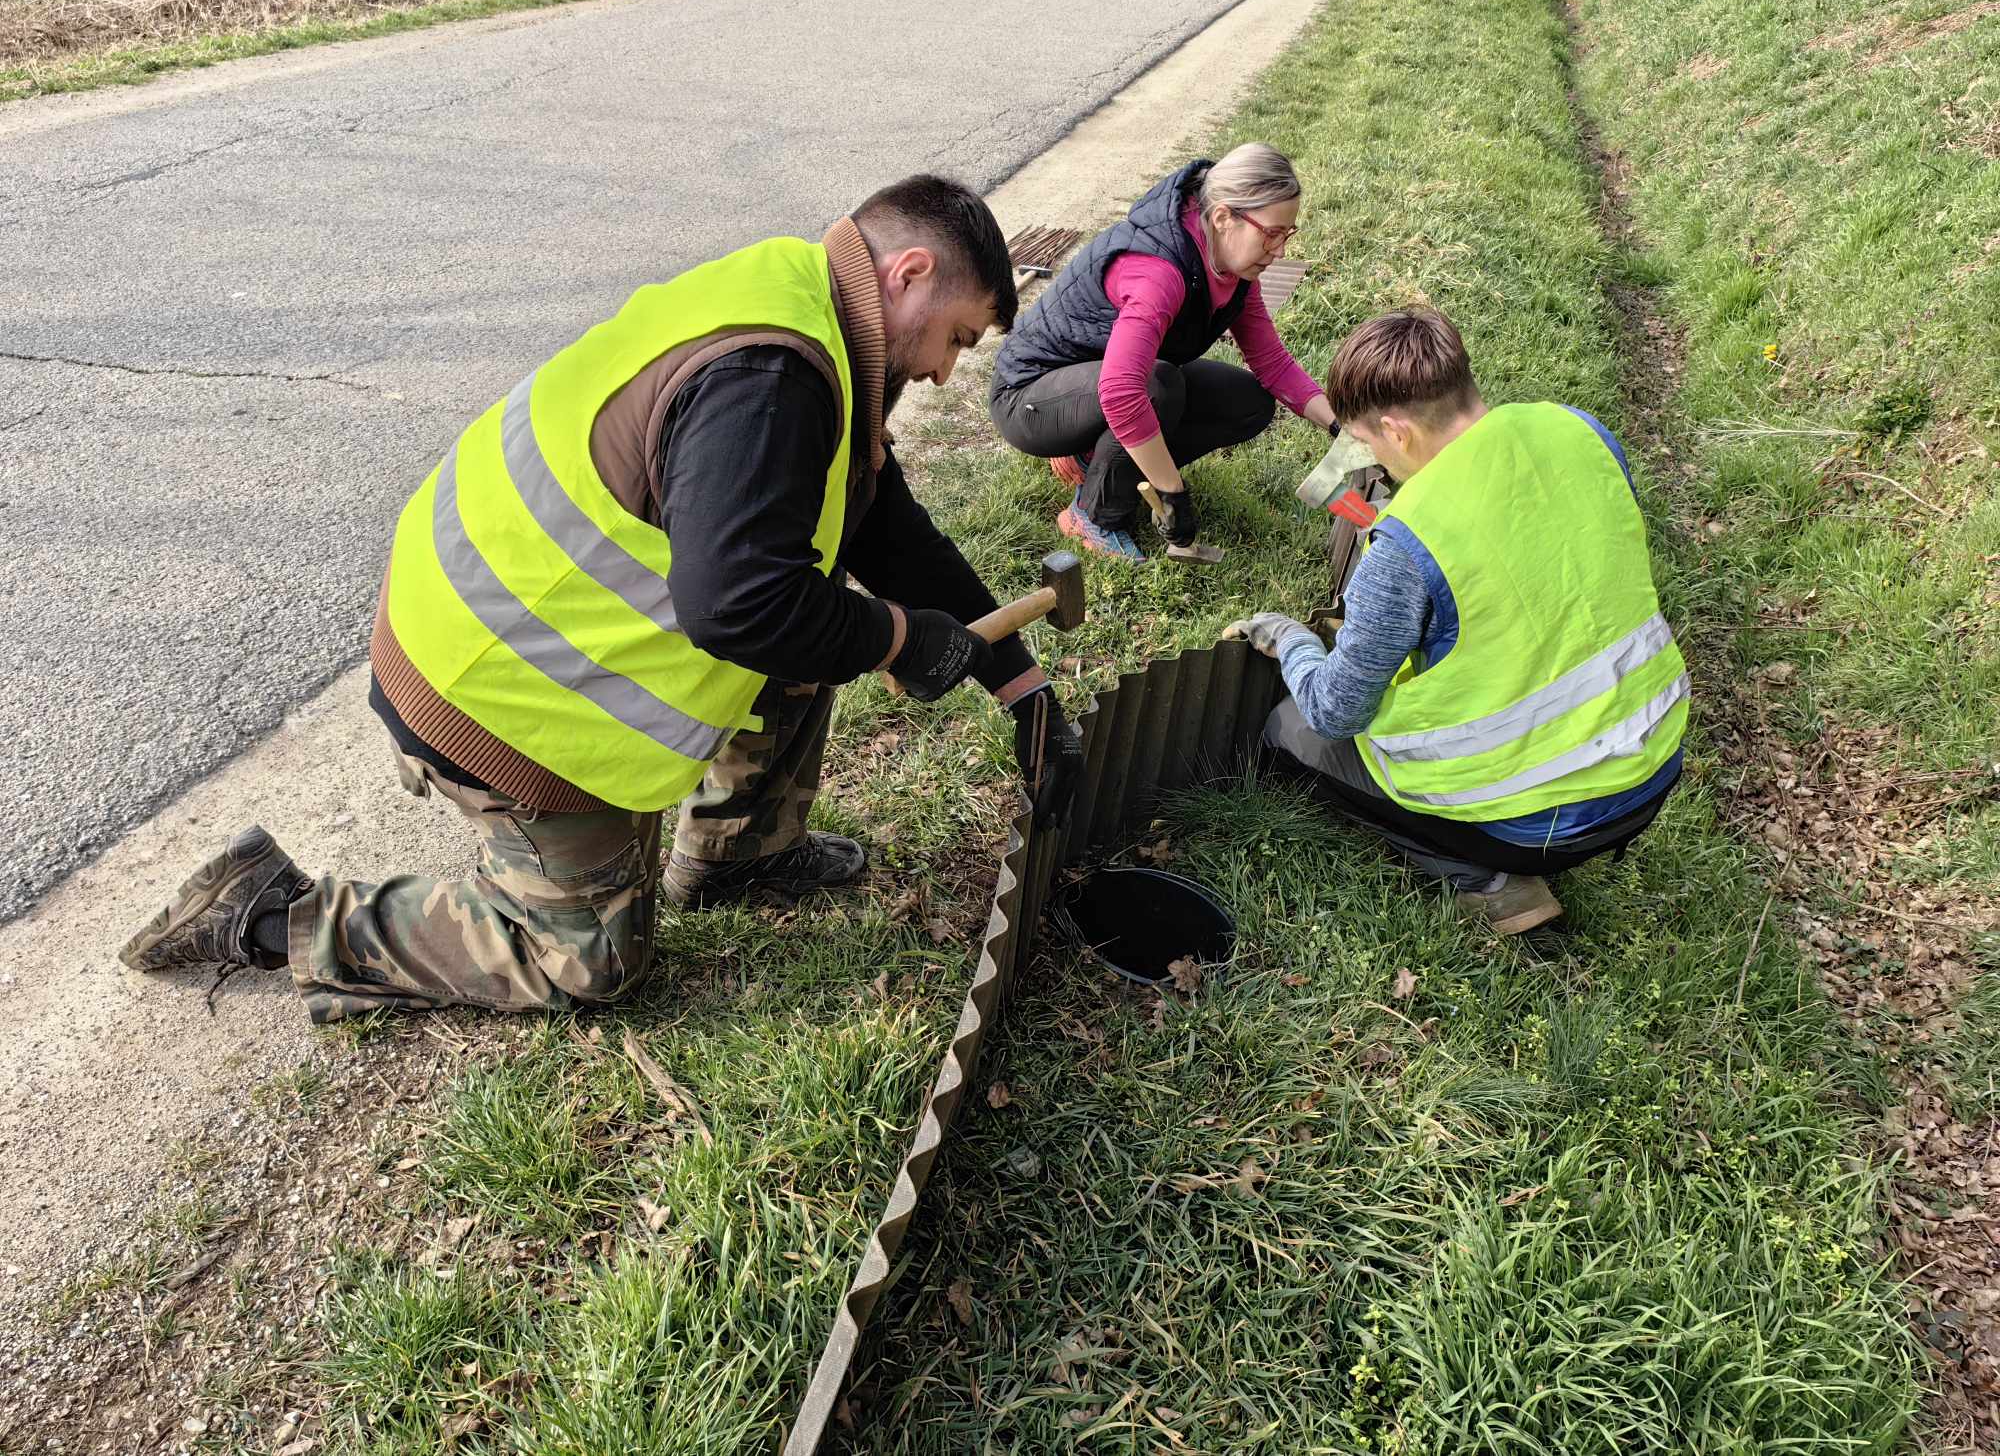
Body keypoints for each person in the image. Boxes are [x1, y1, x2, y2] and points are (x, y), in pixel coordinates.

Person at [117, 176, 1086, 1023]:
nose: (942, 369)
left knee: (812, 597)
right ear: (907, 273)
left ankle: (740, 852)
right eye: (954, 338)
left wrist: (1020, 687)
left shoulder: (803, 307)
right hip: (487, 690)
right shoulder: (773, 378)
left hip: (499, 626)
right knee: (588, 963)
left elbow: (885, 533)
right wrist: (897, 639)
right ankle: (275, 914)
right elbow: (740, 608)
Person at [1226, 307, 1687, 934]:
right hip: (1654, 758)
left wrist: (1291, 639)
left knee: (1292, 731)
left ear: (1397, 431)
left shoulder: (1407, 541)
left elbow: (1335, 711)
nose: (1373, 458)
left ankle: (1491, 883)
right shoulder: (1578, 431)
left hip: (1544, 823)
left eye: (1368, 442)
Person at [988, 143, 1338, 561]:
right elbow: (1122, 392)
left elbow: (1272, 363)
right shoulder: (1158, 273)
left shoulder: (1233, 270)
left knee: (1248, 403)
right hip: (1030, 395)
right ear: (1223, 217)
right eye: (1272, 234)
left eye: (1287, 234)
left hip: (1095, 383)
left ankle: (1096, 460)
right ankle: (1094, 515)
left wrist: (1340, 425)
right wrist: (1172, 492)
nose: (1280, 251)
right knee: (1158, 387)